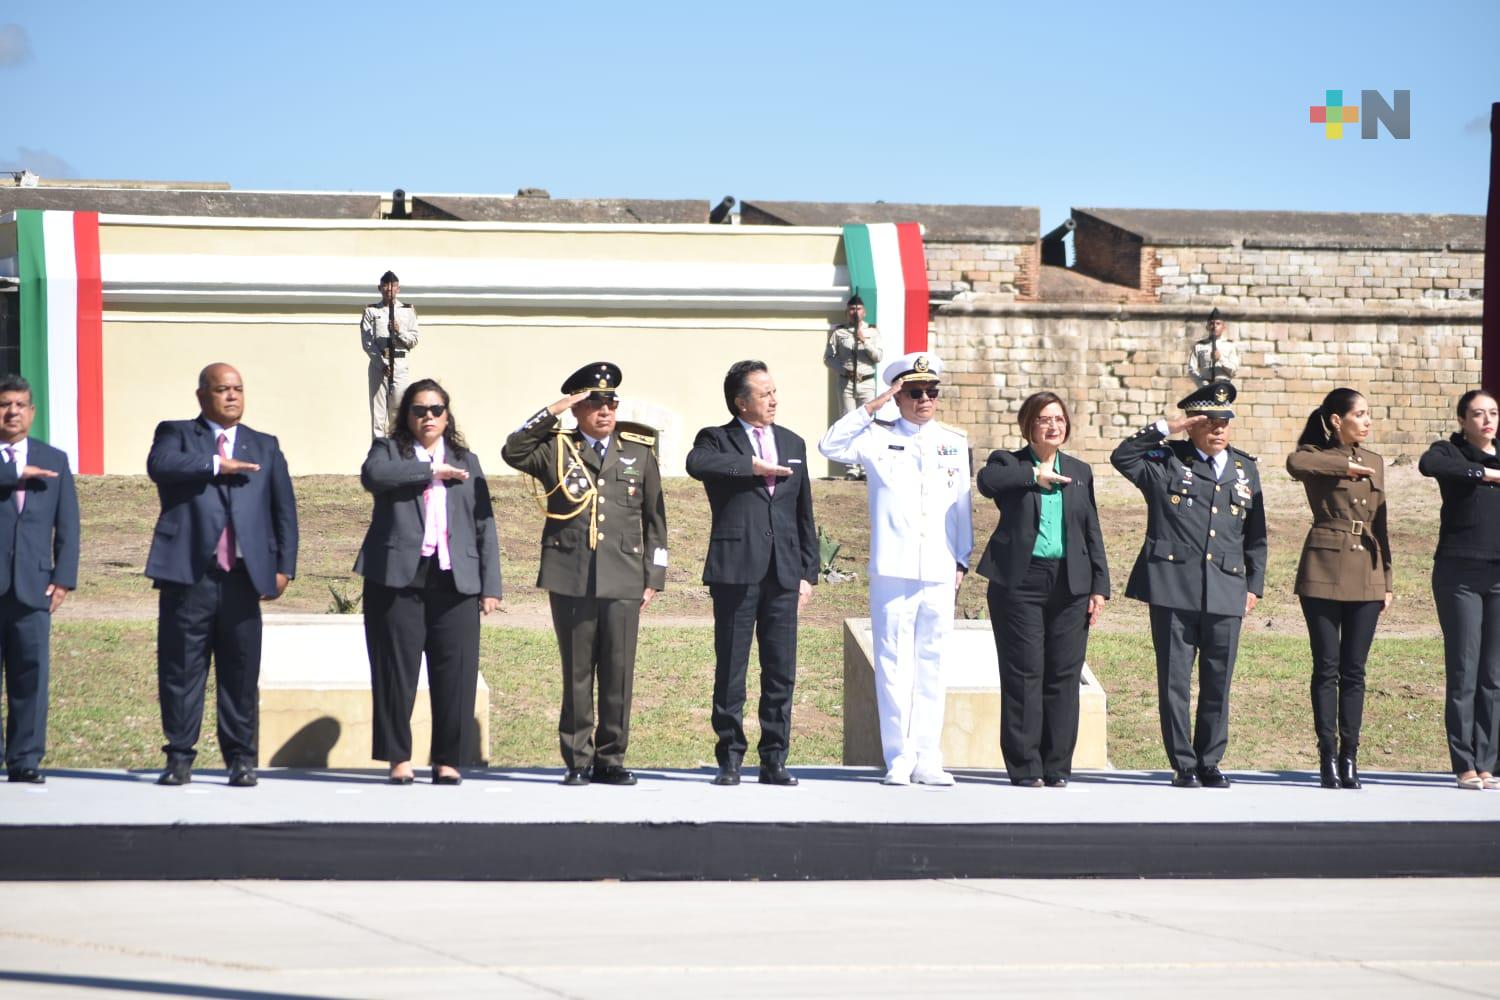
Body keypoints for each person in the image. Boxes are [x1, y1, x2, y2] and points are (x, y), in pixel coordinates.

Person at [502, 362, 666, 786]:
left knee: (618, 672)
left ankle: (611, 759)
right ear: (577, 408)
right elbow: (513, 450)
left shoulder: (638, 451)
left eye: (610, 402)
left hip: (625, 575)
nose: (605, 410)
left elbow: (654, 520)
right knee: (577, 672)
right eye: (593, 402)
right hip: (571, 575)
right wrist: (553, 409)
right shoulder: (555, 449)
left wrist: (655, 576)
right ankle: (577, 759)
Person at [819, 351, 972, 786]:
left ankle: (928, 754)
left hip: (940, 566)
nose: (925, 399)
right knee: (892, 662)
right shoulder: (876, 437)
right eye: (914, 392)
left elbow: (961, 505)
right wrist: (873, 405)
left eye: (931, 392)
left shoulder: (953, 442)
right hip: (893, 566)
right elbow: (829, 445)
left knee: (932, 661)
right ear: (899, 396)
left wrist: (962, 557)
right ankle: (899, 756)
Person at [146, 363, 298, 787]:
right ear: (202, 397)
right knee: (181, 671)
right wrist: (217, 464)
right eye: (221, 389)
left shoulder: (264, 445)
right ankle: (179, 757)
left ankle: (240, 758)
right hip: (188, 576)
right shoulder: (176, 434)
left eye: (238, 389)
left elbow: (283, 510)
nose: (231, 396)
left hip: (243, 579)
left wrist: (285, 566)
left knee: (240, 671)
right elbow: (161, 465)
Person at [1110, 381, 1266, 788]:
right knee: (1175, 681)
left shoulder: (1245, 468)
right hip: (1173, 587)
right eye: (1209, 421)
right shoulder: (1164, 461)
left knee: (1219, 680)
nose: (1218, 429)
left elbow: (1256, 535)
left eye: (1224, 421)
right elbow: (1121, 456)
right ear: (1192, 424)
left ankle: (1210, 760)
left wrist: (1253, 585)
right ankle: (1183, 763)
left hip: (1227, 587)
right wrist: (1168, 427)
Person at [355, 380, 503, 786]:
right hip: (397, 579)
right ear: (407, 415)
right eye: (419, 410)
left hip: (455, 579)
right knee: (394, 671)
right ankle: (398, 758)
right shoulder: (389, 452)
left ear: (447, 414)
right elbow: (374, 477)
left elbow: (484, 525)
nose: (428, 417)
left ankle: (447, 759)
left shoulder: (466, 459)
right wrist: (429, 471)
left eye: (436, 409)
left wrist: (490, 585)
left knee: (455, 673)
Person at [685, 361, 818, 787]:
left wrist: (808, 573)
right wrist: (754, 467)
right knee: (732, 667)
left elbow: (803, 513)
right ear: (741, 402)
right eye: (764, 393)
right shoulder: (716, 439)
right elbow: (697, 463)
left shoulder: (793, 442)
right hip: (737, 571)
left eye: (774, 391)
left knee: (781, 669)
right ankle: (730, 757)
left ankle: (774, 757)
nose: (774, 399)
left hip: (784, 573)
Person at [976, 391, 1109, 788]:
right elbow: (987, 483)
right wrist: (1035, 475)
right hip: (1020, 583)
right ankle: (1025, 766)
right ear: (1029, 426)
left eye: (1059, 419)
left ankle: (1056, 766)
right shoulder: (1009, 464)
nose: (1054, 426)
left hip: (1070, 583)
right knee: (1024, 673)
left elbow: (1091, 531)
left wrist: (1099, 586)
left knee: (1063, 675)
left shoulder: (1080, 470)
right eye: (1045, 419)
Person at [1287, 388, 1392, 790]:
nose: (1367, 421)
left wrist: (1388, 578)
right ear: (1336, 420)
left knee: (1355, 671)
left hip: (1367, 569)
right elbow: (1296, 462)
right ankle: (1327, 756)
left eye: (1369, 414)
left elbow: (1381, 523)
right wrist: (1346, 467)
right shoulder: (1316, 455)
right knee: (1326, 667)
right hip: (1324, 566)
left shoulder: (1376, 461)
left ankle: (1350, 756)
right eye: (1360, 414)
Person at [1419, 389, 1500, 791]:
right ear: (1463, 421)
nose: (1488, 420)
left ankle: (1488, 762)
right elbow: (1427, 465)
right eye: (1478, 414)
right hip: (1459, 575)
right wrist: (1486, 474)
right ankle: (1464, 763)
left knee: (1493, 674)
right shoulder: (1450, 453)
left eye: (1493, 413)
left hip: (1498, 576)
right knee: (1464, 670)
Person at [0, 375, 79, 784]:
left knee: (31, 676)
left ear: (32, 412)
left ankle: (25, 758)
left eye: (20, 404)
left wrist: (63, 579)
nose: (12, 411)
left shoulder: (54, 458)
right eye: (4, 404)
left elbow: (68, 524)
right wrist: (12, 470)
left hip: (33, 586)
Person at [823, 293, 883, 479]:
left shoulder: (872, 332)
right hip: (847, 382)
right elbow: (828, 358)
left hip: (866, 382)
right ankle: (851, 468)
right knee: (848, 423)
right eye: (851, 309)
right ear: (847, 312)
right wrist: (842, 370)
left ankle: (865, 467)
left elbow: (878, 357)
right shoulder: (839, 333)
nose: (854, 312)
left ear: (864, 312)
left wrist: (864, 341)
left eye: (858, 309)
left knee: (867, 423)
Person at [360, 270, 420, 439]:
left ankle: (398, 453)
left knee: (398, 412)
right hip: (380, 365)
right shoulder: (372, 311)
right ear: (380, 288)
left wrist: (399, 331)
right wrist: (381, 364)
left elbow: (414, 340)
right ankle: (378, 453)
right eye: (385, 286)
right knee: (378, 415)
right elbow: (367, 342)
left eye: (393, 286)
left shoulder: (407, 311)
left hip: (399, 365)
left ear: (398, 289)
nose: (389, 289)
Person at [1186, 307, 1240, 387]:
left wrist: (1220, 359)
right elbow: (1191, 369)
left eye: (1218, 323)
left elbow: (1233, 371)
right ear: (1207, 327)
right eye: (1211, 323)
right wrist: (1201, 383)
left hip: (1223, 387)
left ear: (1223, 327)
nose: (1214, 326)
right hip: (1205, 386)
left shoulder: (1230, 346)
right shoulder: (1199, 346)